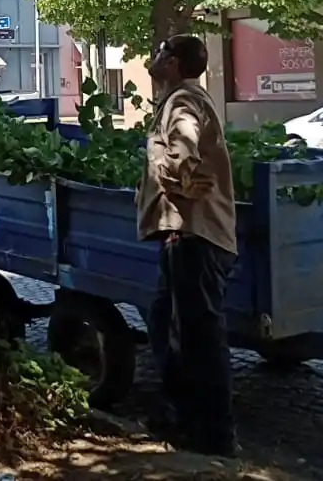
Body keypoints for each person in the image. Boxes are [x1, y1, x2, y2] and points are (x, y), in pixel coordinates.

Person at [137, 34, 239, 457]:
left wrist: (172, 169)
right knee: (167, 323)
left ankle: (213, 436)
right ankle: (179, 418)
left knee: (198, 337)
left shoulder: (182, 103)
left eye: (161, 51)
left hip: (193, 235)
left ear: (174, 63)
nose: (153, 56)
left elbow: (182, 154)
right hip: (187, 234)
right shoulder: (182, 97)